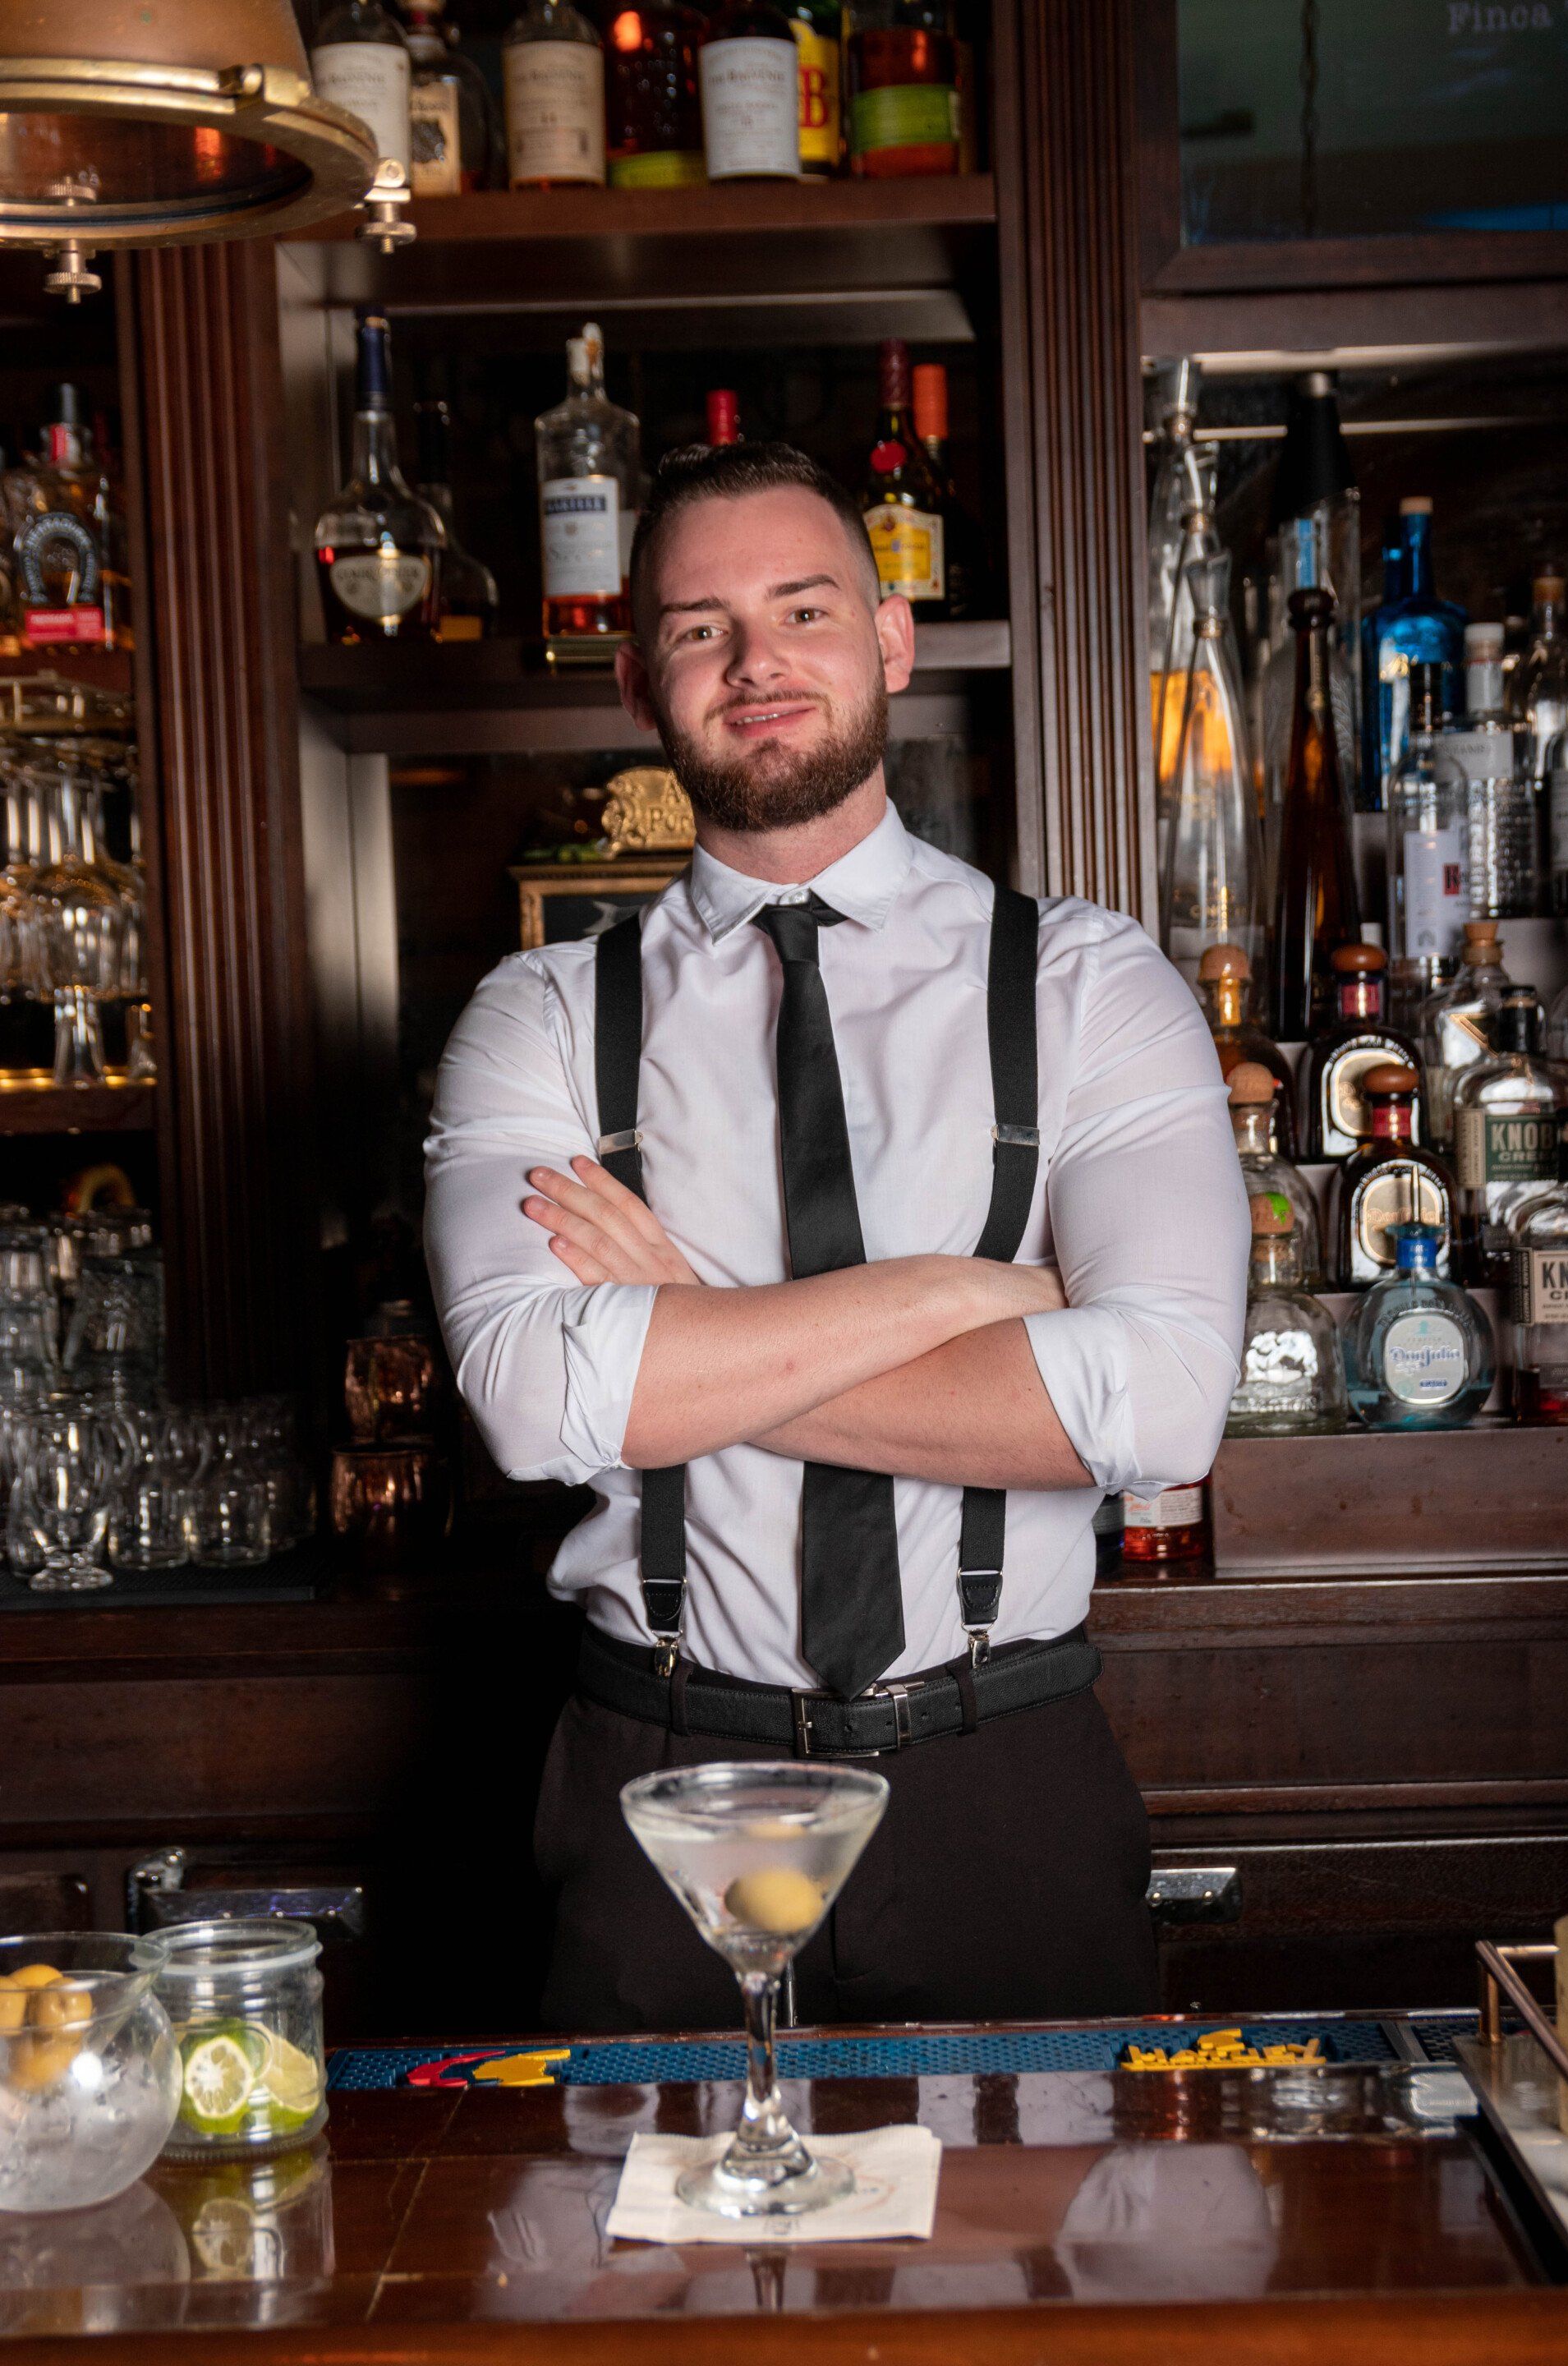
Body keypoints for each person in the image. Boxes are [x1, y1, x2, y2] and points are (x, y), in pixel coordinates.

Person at [425, 441, 1247, 2034]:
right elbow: (537, 1406)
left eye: (803, 609)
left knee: (1028, 2271)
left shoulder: (1088, 985)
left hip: (998, 1776)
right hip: (661, 1781)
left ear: (888, 641)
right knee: (660, 2262)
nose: (757, 664)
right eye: (699, 625)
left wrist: (691, 1324)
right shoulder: (537, 1014)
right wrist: (973, 1298)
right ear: (637, 676)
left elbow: (1152, 1412)